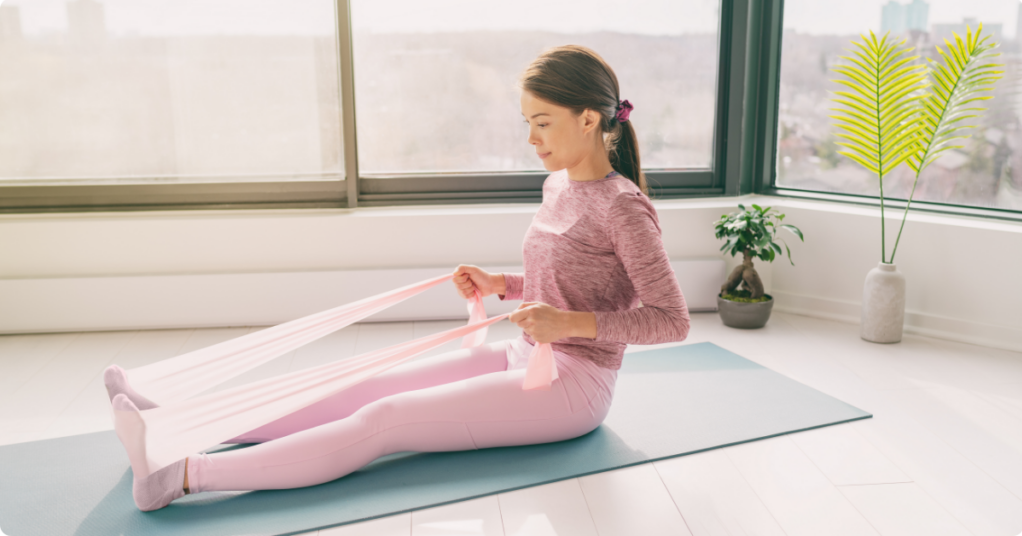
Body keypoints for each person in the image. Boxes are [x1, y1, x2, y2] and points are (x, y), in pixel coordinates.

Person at [107, 44, 690, 512]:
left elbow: (672, 321)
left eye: (541, 123)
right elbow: (566, 278)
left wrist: (569, 323)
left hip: (575, 384)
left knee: (383, 422)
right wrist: (501, 284)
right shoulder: (558, 184)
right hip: (526, 352)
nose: (530, 139)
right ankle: (171, 423)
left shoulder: (623, 208)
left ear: (589, 119)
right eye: (526, 123)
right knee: (366, 387)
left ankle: (178, 476)